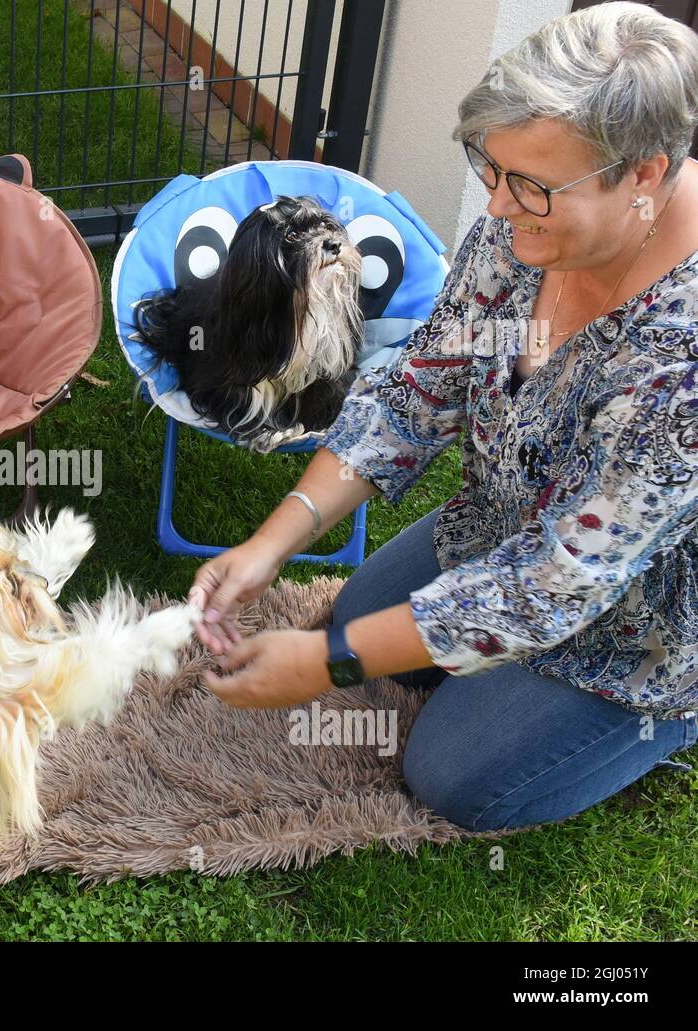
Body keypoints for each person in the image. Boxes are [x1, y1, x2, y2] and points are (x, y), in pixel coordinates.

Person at [187, 1, 698, 831]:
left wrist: (324, 663)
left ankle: (671, 716)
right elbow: (421, 385)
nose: (496, 209)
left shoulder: (682, 355)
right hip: (501, 529)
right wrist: (270, 541)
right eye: (488, 170)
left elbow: (555, 582)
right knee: (361, 623)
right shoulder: (524, 228)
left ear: (644, 172)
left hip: (638, 626)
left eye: (529, 184)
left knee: (451, 775)